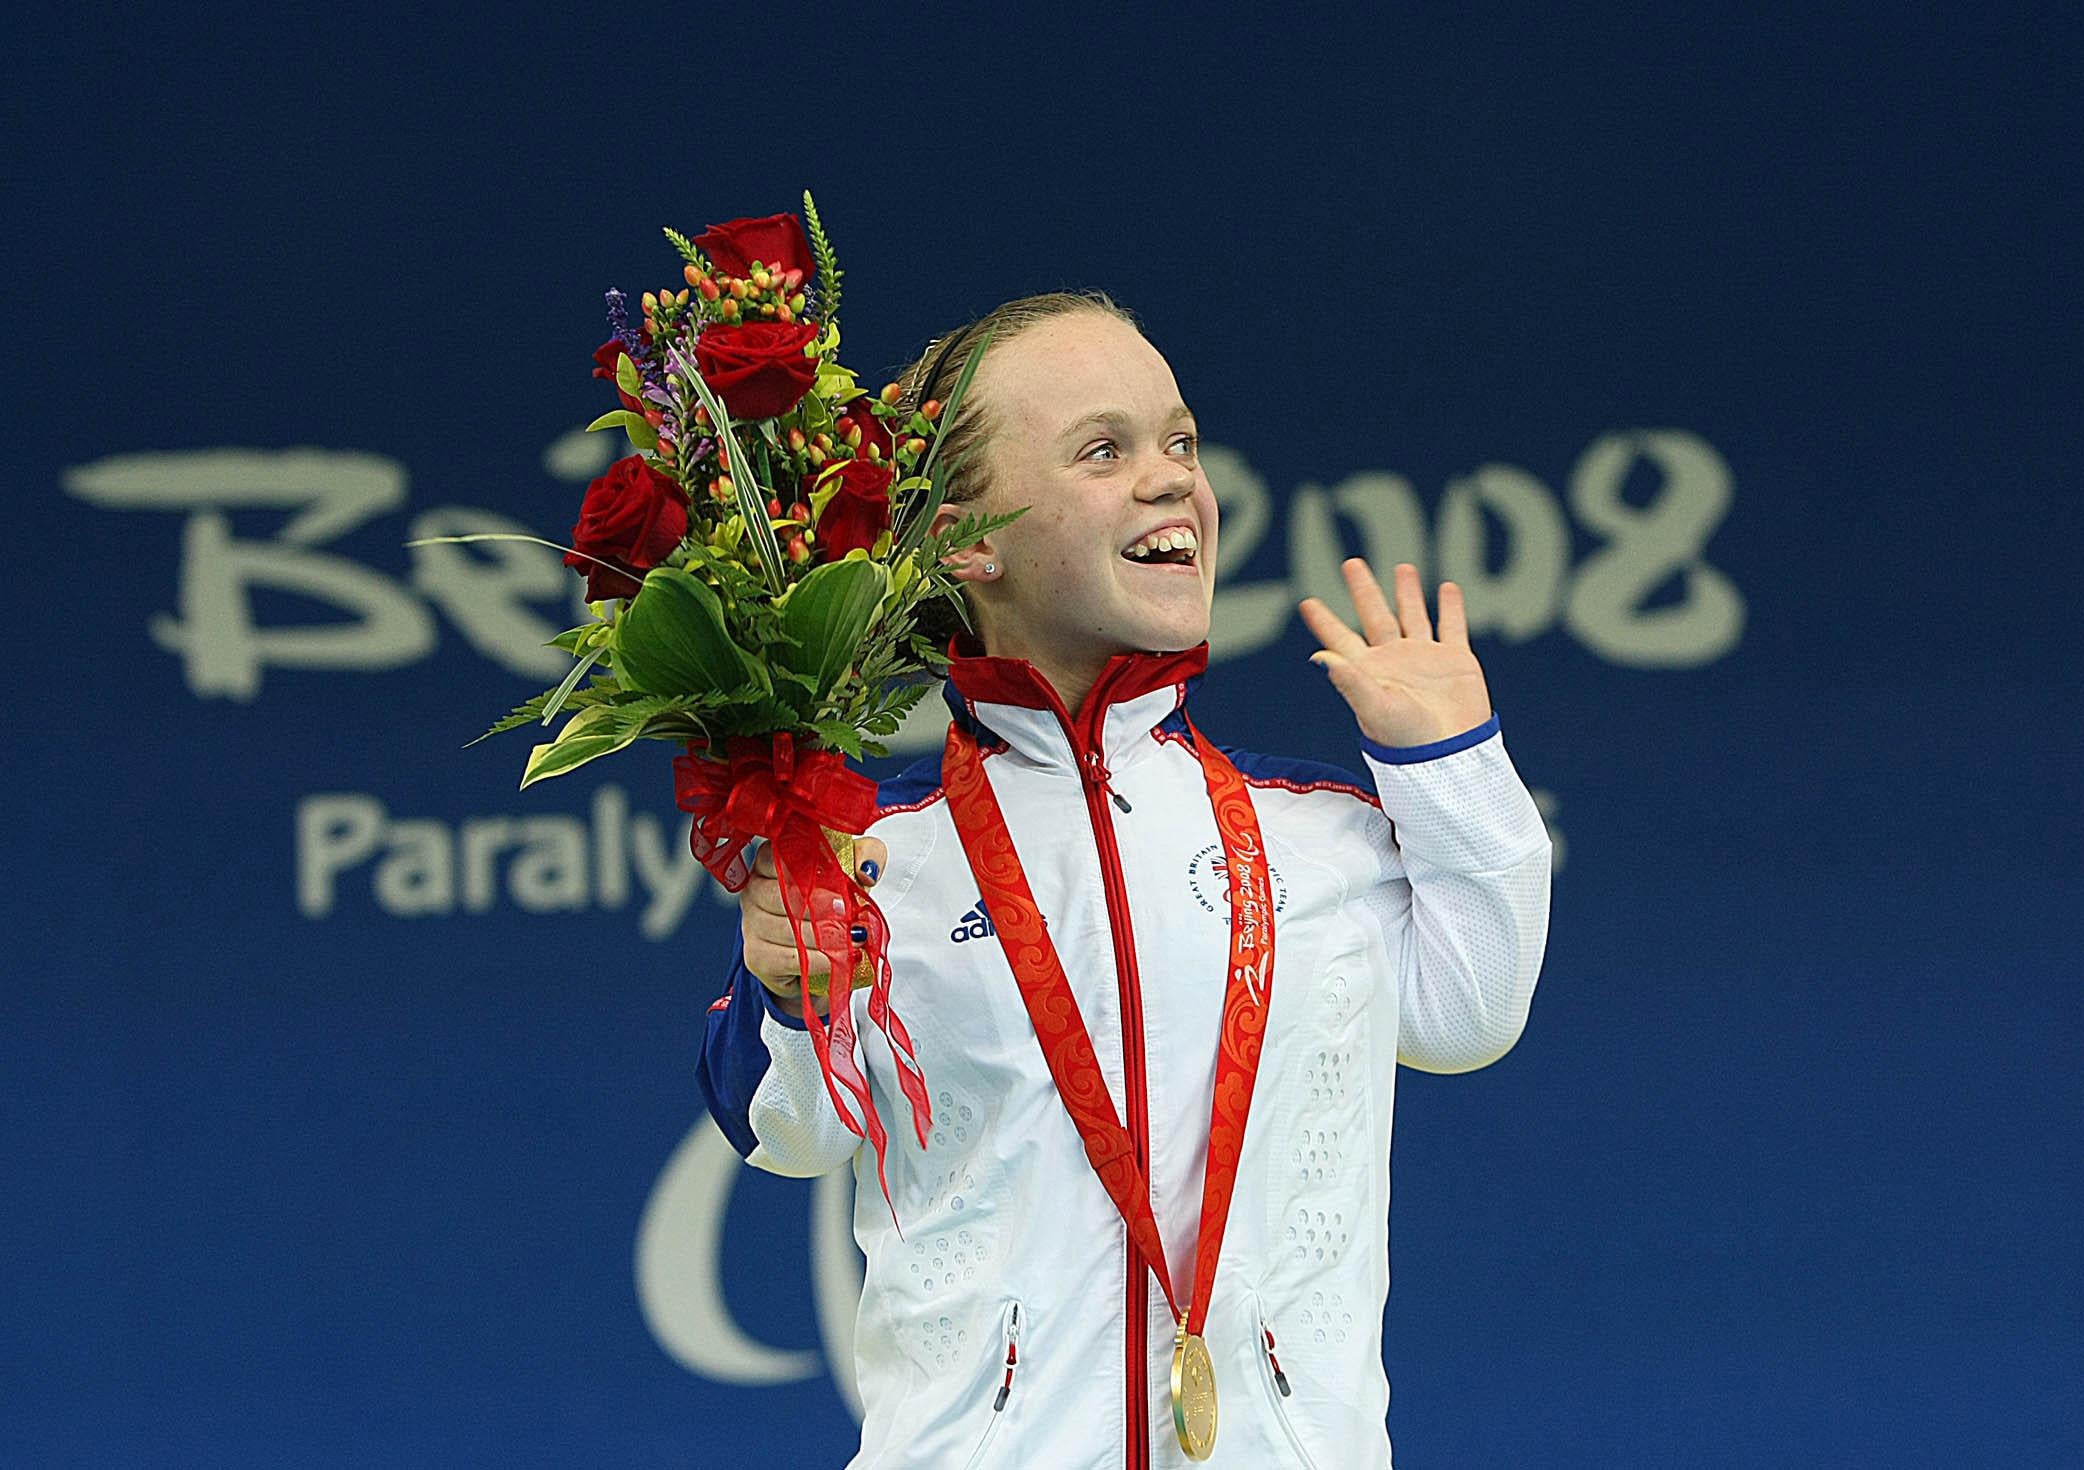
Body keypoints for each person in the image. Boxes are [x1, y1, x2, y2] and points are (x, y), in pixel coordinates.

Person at [696, 291, 1552, 1469]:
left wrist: (1453, 764)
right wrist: (785, 986)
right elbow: (790, 1130)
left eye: (1181, 442)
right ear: (963, 540)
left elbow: (1469, 1013)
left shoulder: (1314, 834)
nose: (1169, 480)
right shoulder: (879, 861)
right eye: (1104, 450)